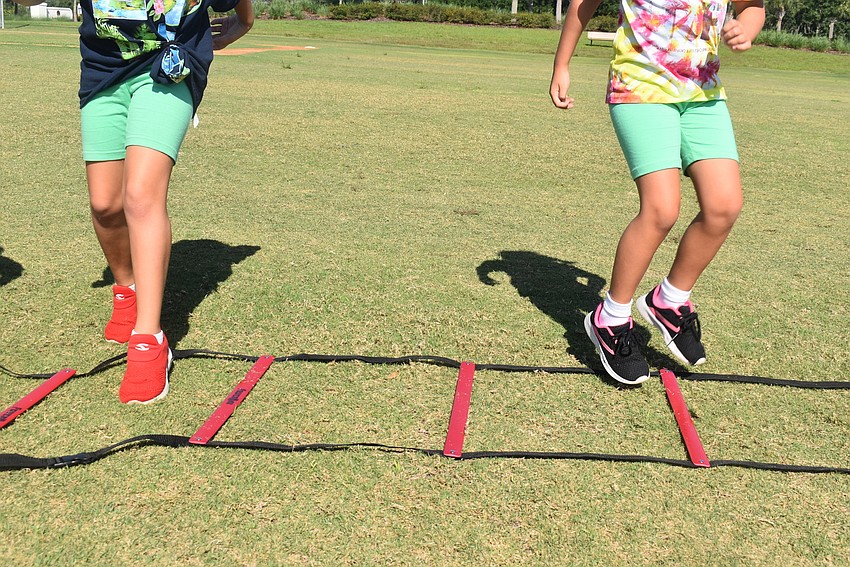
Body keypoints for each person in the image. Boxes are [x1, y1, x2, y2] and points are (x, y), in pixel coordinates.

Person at [550, 0, 765, 385]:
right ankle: (610, 318)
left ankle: (668, 300)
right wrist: (562, 64)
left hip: (703, 94)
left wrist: (747, 27)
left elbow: (754, 7)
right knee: (661, 209)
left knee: (724, 207)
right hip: (641, 88)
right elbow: (584, 3)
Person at [60, 0, 253, 404]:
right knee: (105, 205)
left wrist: (244, 21)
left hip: (169, 67)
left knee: (141, 197)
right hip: (103, 70)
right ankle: (125, 287)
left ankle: (149, 339)